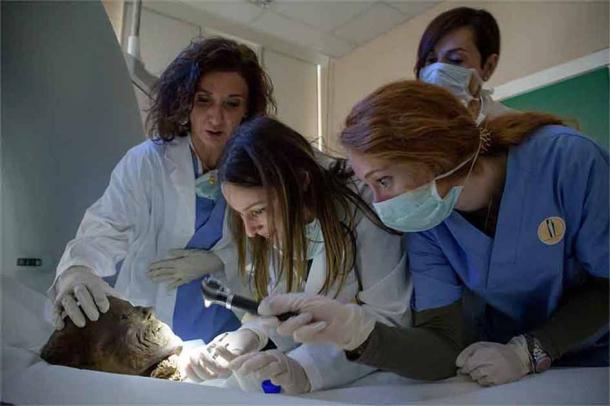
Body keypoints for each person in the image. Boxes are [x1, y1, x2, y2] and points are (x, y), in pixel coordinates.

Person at [257, 80, 609, 386]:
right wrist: (357, 334)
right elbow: (441, 346)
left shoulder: (567, 162)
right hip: (507, 370)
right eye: (369, 186)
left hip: (595, 356)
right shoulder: (429, 224)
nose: (379, 204)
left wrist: (532, 350)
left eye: (383, 181)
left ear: (431, 154)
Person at [50, 37, 276, 343]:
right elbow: (108, 226)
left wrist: (220, 260)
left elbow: (270, 249)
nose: (216, 117)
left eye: (232, 104)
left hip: (226, 329)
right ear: (185, 101)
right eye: (203, 100)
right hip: (149, 323)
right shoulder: (148, 162)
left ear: (247, 111)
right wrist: (77, 268)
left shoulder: (259, 172)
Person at [185, 117, 411, 393]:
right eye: (241, 214)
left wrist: (305, 370)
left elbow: (391, 320)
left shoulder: (363, 210)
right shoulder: (280, 225)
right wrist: (251, 334)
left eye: (257, 211)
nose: (251, 231)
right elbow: (285, 305)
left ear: (300, 181)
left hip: (384, 378)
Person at [415, 7, 515, 123]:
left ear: (489, 66)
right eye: (431, 60)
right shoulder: (408, 130)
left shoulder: (520, 135)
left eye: (455, 60)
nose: (438, 73)